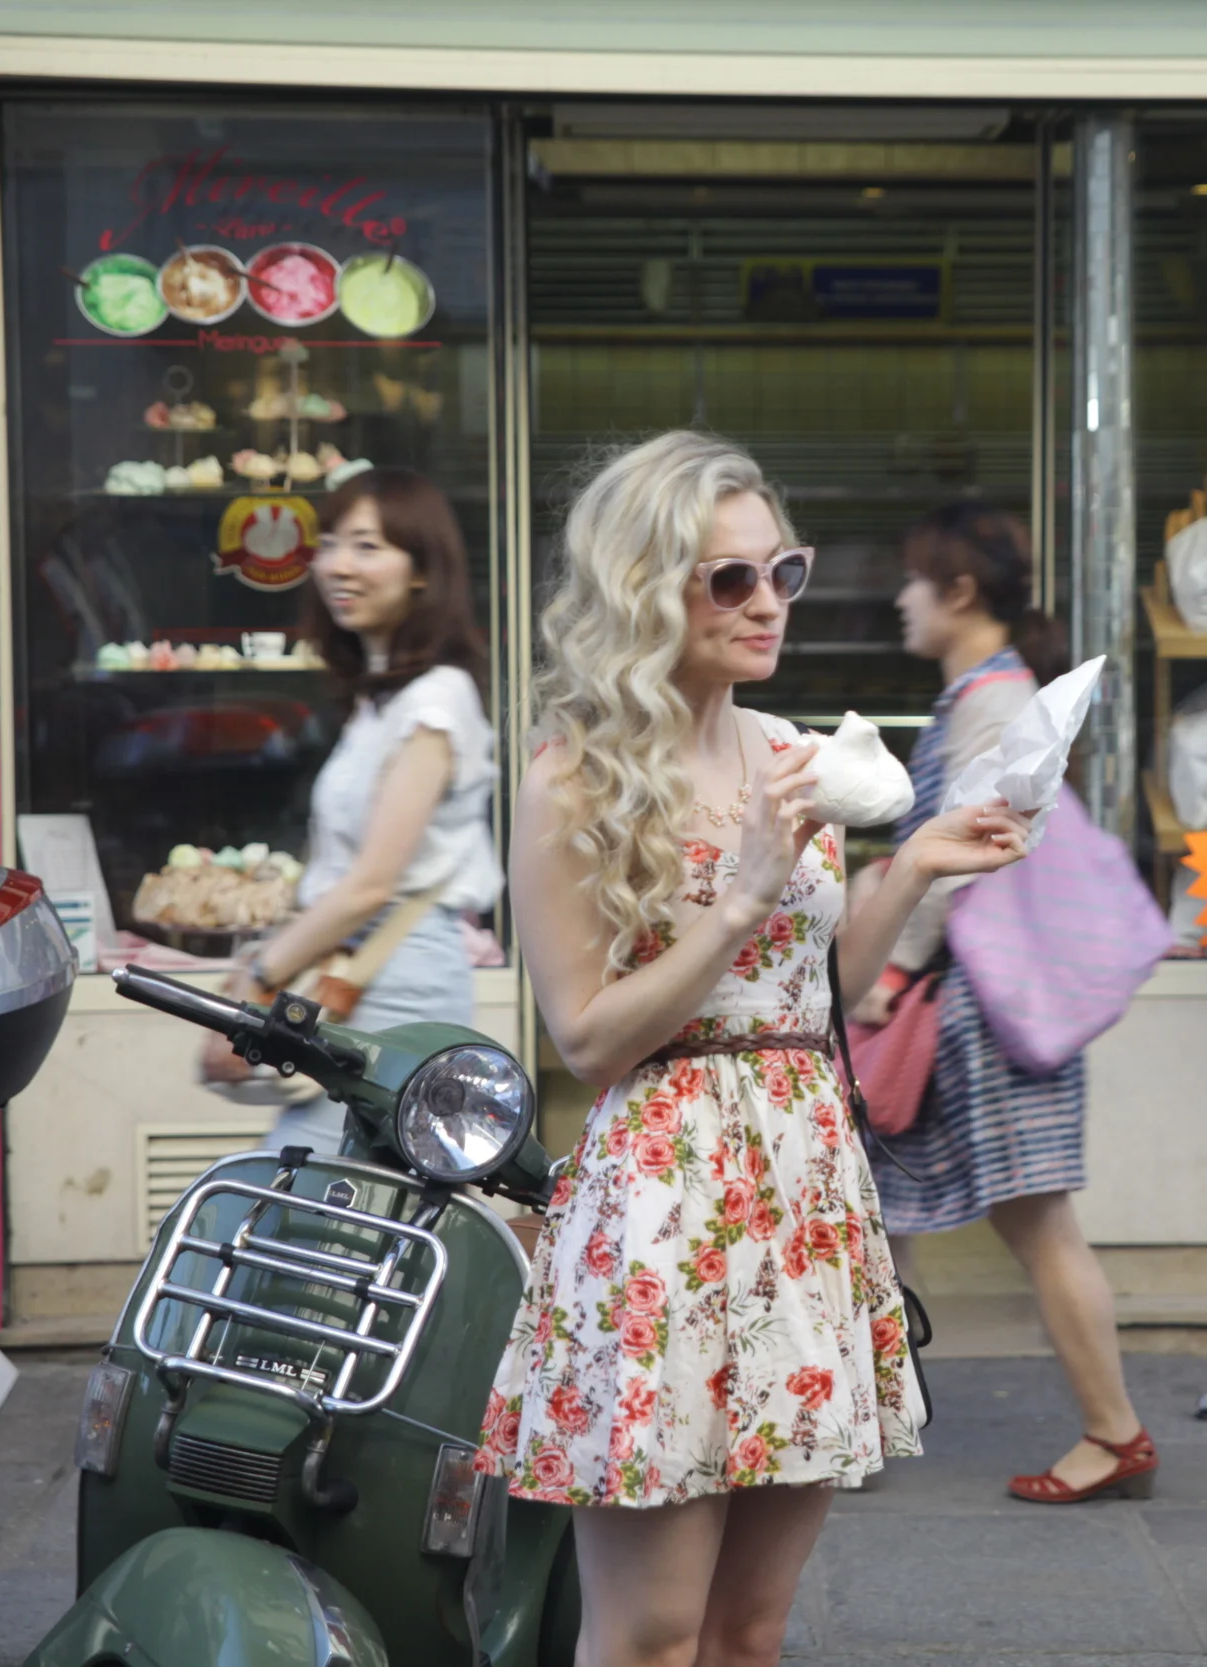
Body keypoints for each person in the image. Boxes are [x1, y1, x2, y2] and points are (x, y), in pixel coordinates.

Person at [476, 432, 1029, 1667]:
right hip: (667, 1200)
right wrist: (738, 895)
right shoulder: (573, 781)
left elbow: (814, 992)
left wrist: (911, 865)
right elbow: (588, 1037)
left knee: (750, 1630)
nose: (768, 601)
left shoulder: (794, 755)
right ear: (642, 585)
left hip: (805, 1186)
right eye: (729, 579)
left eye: (782, 569)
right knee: (653, 1634)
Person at [849, 503, 1154, 1505]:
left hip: (988, 1008)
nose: (899, 599)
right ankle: (858, 1409)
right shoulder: (982, 694)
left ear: (960, 594)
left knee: (1035, 1223)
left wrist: (887, 969)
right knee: (882, 1200)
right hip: (977, 1001)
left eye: (912, 580)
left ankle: (1113, 1431)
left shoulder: (992, 700)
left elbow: (956, 858)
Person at [198, 467, 501, 1152]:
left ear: (423, 571)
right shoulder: (382, 702)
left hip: (395, 972)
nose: (338, 564)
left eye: (367, 546)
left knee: (312, 1194)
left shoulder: (436, 698)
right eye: (331, 542)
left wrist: (257, 976)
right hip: (362, 962)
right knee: (324, 1198)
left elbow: (371, 882)